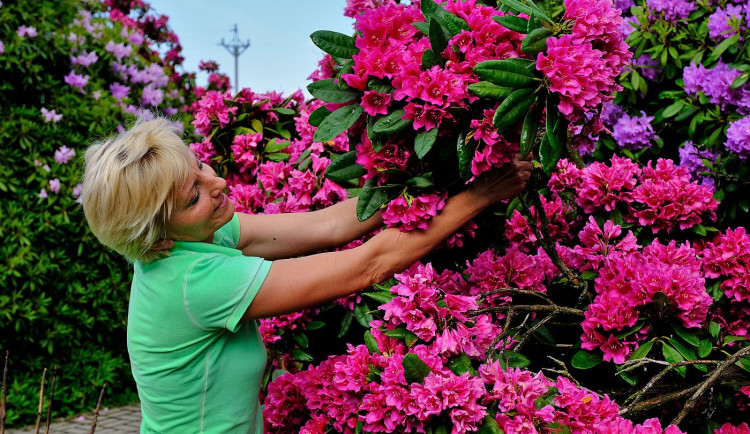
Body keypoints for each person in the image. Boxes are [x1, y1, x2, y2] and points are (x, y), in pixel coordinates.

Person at [80, 117, 532, 433]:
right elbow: (366, 266)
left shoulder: (199, 237)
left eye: (198, 166)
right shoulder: (195, 281)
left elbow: (327, 226)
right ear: (157, 233)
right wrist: (479, 196)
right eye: (193, 195)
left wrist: (419, 179)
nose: (216, 183)